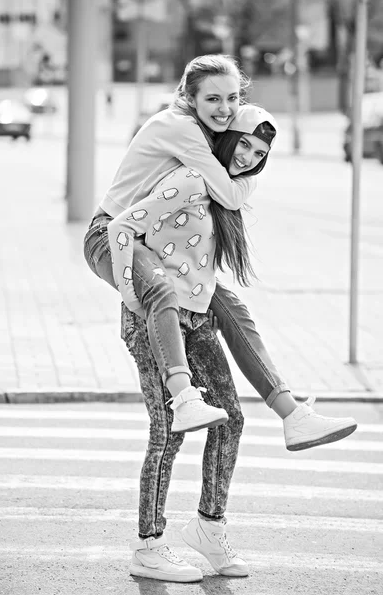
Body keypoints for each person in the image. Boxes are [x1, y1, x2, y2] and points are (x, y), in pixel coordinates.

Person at [84, 54, 357, 452]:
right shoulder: (181, 129)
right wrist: (251, 185)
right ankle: (184, 398)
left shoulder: (205, 135)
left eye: (232, 98)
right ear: (189, 97)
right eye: (213, 99)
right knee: (159, 291)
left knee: (232, 309)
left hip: (143, 240)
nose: (225, 109)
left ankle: (293, 415)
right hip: (108, 236)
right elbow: (228, 192)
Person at [120, 105, 277, 583]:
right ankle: (148, 545)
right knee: (168, 430)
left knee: (230, 417)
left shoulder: (223, 194)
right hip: (156, 319)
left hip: (199, 318)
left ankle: (209, 526)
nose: (248, 157)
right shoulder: (190, 179)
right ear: (226, 140)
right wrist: (134, 298)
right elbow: (123, 226)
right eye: (244, 144)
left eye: (259, 153)